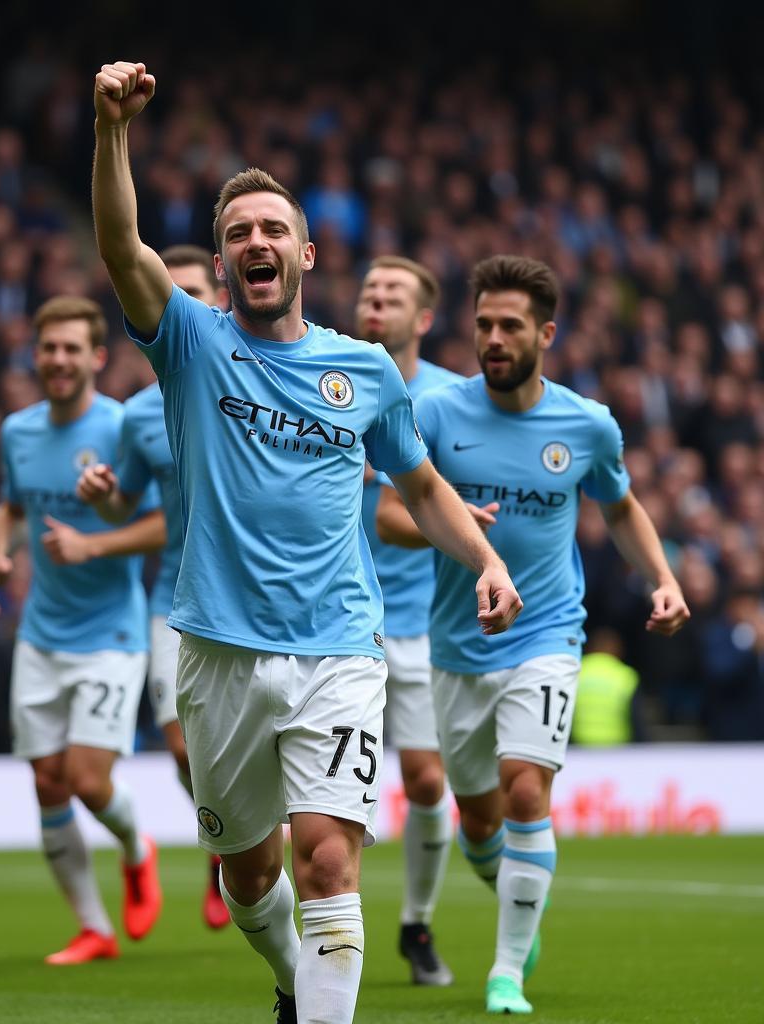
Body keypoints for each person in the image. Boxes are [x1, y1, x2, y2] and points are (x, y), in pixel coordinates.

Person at [91, 60, 522, 1024]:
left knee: (327, 852)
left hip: (338, 645)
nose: (256, 241)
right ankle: (289, 979)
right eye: (237, 232)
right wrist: (111, 131)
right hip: (217, 650)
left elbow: (420, 485)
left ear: (306, 254)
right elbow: (120, 245)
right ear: (219, 260)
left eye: (272, 229)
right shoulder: (193, 344)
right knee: (249, 877)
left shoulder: (364, 371)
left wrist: (487, 560)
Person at [376, 254, 690, 1015]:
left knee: (526, 790)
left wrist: (664, 577)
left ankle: (506, 971)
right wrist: (451, 533)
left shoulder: (585, 424)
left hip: (546, 633)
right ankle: (518, 894)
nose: (493, 337)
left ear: (545, 333)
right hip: (455, 644)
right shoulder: (439, 414)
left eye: (510, 325)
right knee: (478, 820)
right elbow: (387, 513)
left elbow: (619, 506)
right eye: (483, 323)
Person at [0, 296, 164, 966]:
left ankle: (136, 847)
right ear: (36, 356)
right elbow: (11, 508)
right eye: (49, 349)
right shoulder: (17, 432)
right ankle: (94, 928)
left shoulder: (124, 426)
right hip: (41, 633)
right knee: (47, 781)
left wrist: (92, 545)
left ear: (96, 357)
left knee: (88, 779)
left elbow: (162, 522)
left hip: (111, 633)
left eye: (73, 349)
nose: (59, 361)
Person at [77, 244, 231, 931]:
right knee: (182, 751)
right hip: (177, 599)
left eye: (196, 291)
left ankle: (237, 845)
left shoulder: (258, 381)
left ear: (219, 297)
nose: (186, 306)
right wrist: (106, 498)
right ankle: (224, 850)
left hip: (258, 600)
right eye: (174, 294)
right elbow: (128, 506)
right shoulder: (138, 415)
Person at [354, 256, 460, 986]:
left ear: (422, 319)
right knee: (332, 793)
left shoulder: (454, 399)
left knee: (425, 782)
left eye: (393, 294)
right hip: (334, 613)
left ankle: (415, 922)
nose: (376, 301)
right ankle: (334, 925)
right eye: (369, 290)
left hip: (420, 616)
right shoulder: (326, 374)